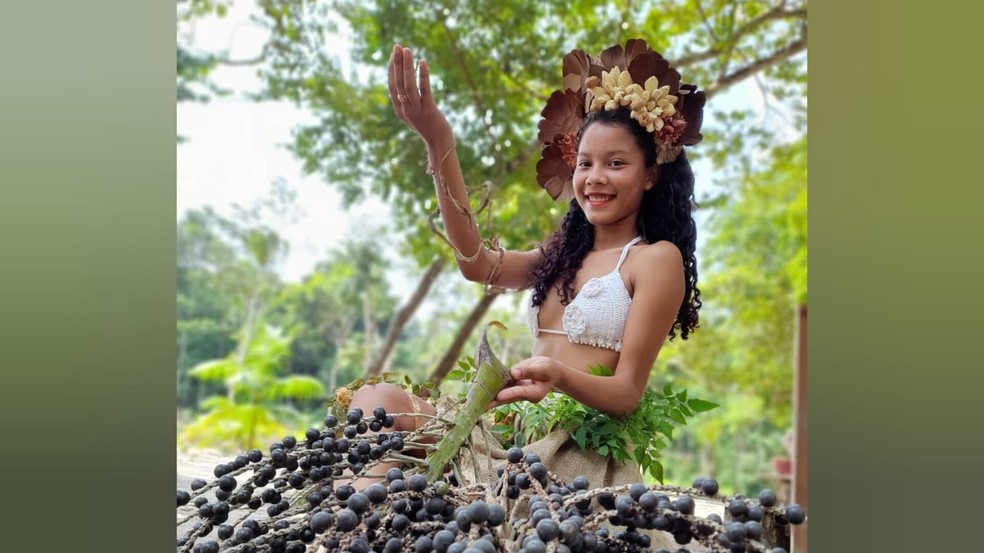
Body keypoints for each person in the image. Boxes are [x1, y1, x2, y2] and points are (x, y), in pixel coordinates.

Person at [347, 38, 704, 489]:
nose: (595, 177)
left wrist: (557, 376)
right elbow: (476, 263)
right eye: (586, 163)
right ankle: (347, 529)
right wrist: (439, 139)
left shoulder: (654, 260)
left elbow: (627, 393)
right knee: (376, 398)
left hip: (572, 447)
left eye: (616, 163)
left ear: (650, 174)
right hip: (504, 424)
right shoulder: (562, 255)